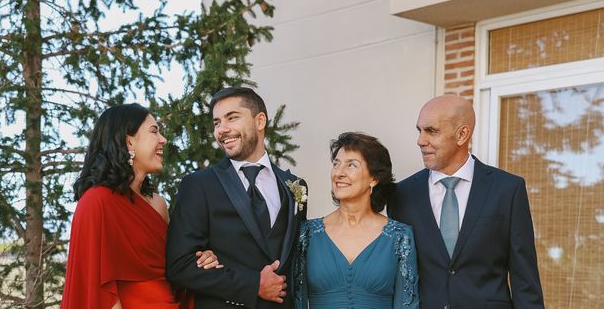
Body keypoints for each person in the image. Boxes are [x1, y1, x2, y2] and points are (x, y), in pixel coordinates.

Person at [391, 95, 545, 309]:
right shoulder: (402, 194)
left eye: (432, 130)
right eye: (419, 130)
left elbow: (525, 282)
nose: (420, 140)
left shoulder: (508, 190)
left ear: (462, 134)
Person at [61, 103, 220, 309]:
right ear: (129, 142)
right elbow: (97, 291)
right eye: (154, 131)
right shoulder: (95, 202)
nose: (163, 139)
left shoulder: (158, 204)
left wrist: (202, 261)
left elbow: (176, 271)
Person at [166, 87, 307, 308]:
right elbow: (180, 266)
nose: (222, 129)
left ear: (260, 121)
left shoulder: (295, 187)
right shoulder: (198, 185)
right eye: (216, 123)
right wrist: (252, 285)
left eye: (232, 118)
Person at [293, 132, 418, 309]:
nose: (339, 173)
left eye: (351, 165)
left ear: (374, 178)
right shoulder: (307, 234)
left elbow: (407, 304)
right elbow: (297, 300)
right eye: (336, 164)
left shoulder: (400, 236)